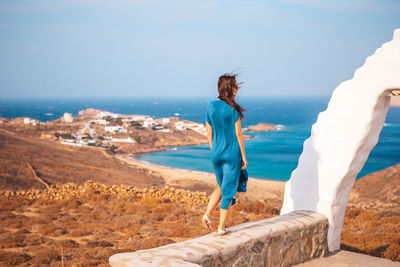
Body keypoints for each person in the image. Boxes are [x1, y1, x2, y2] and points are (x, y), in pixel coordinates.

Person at [202, 73, 248, 235]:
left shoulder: (210, 106)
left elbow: (209, 130)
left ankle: (207, 215)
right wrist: (243, 156)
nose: (238, 89)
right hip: (231, 154)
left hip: (216, 153)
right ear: (229, 88)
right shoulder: (232, 109)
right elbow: (238, 134)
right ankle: (221, 227)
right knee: (228, 190)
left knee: (222, 186)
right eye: (236, 86)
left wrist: (213, 148)